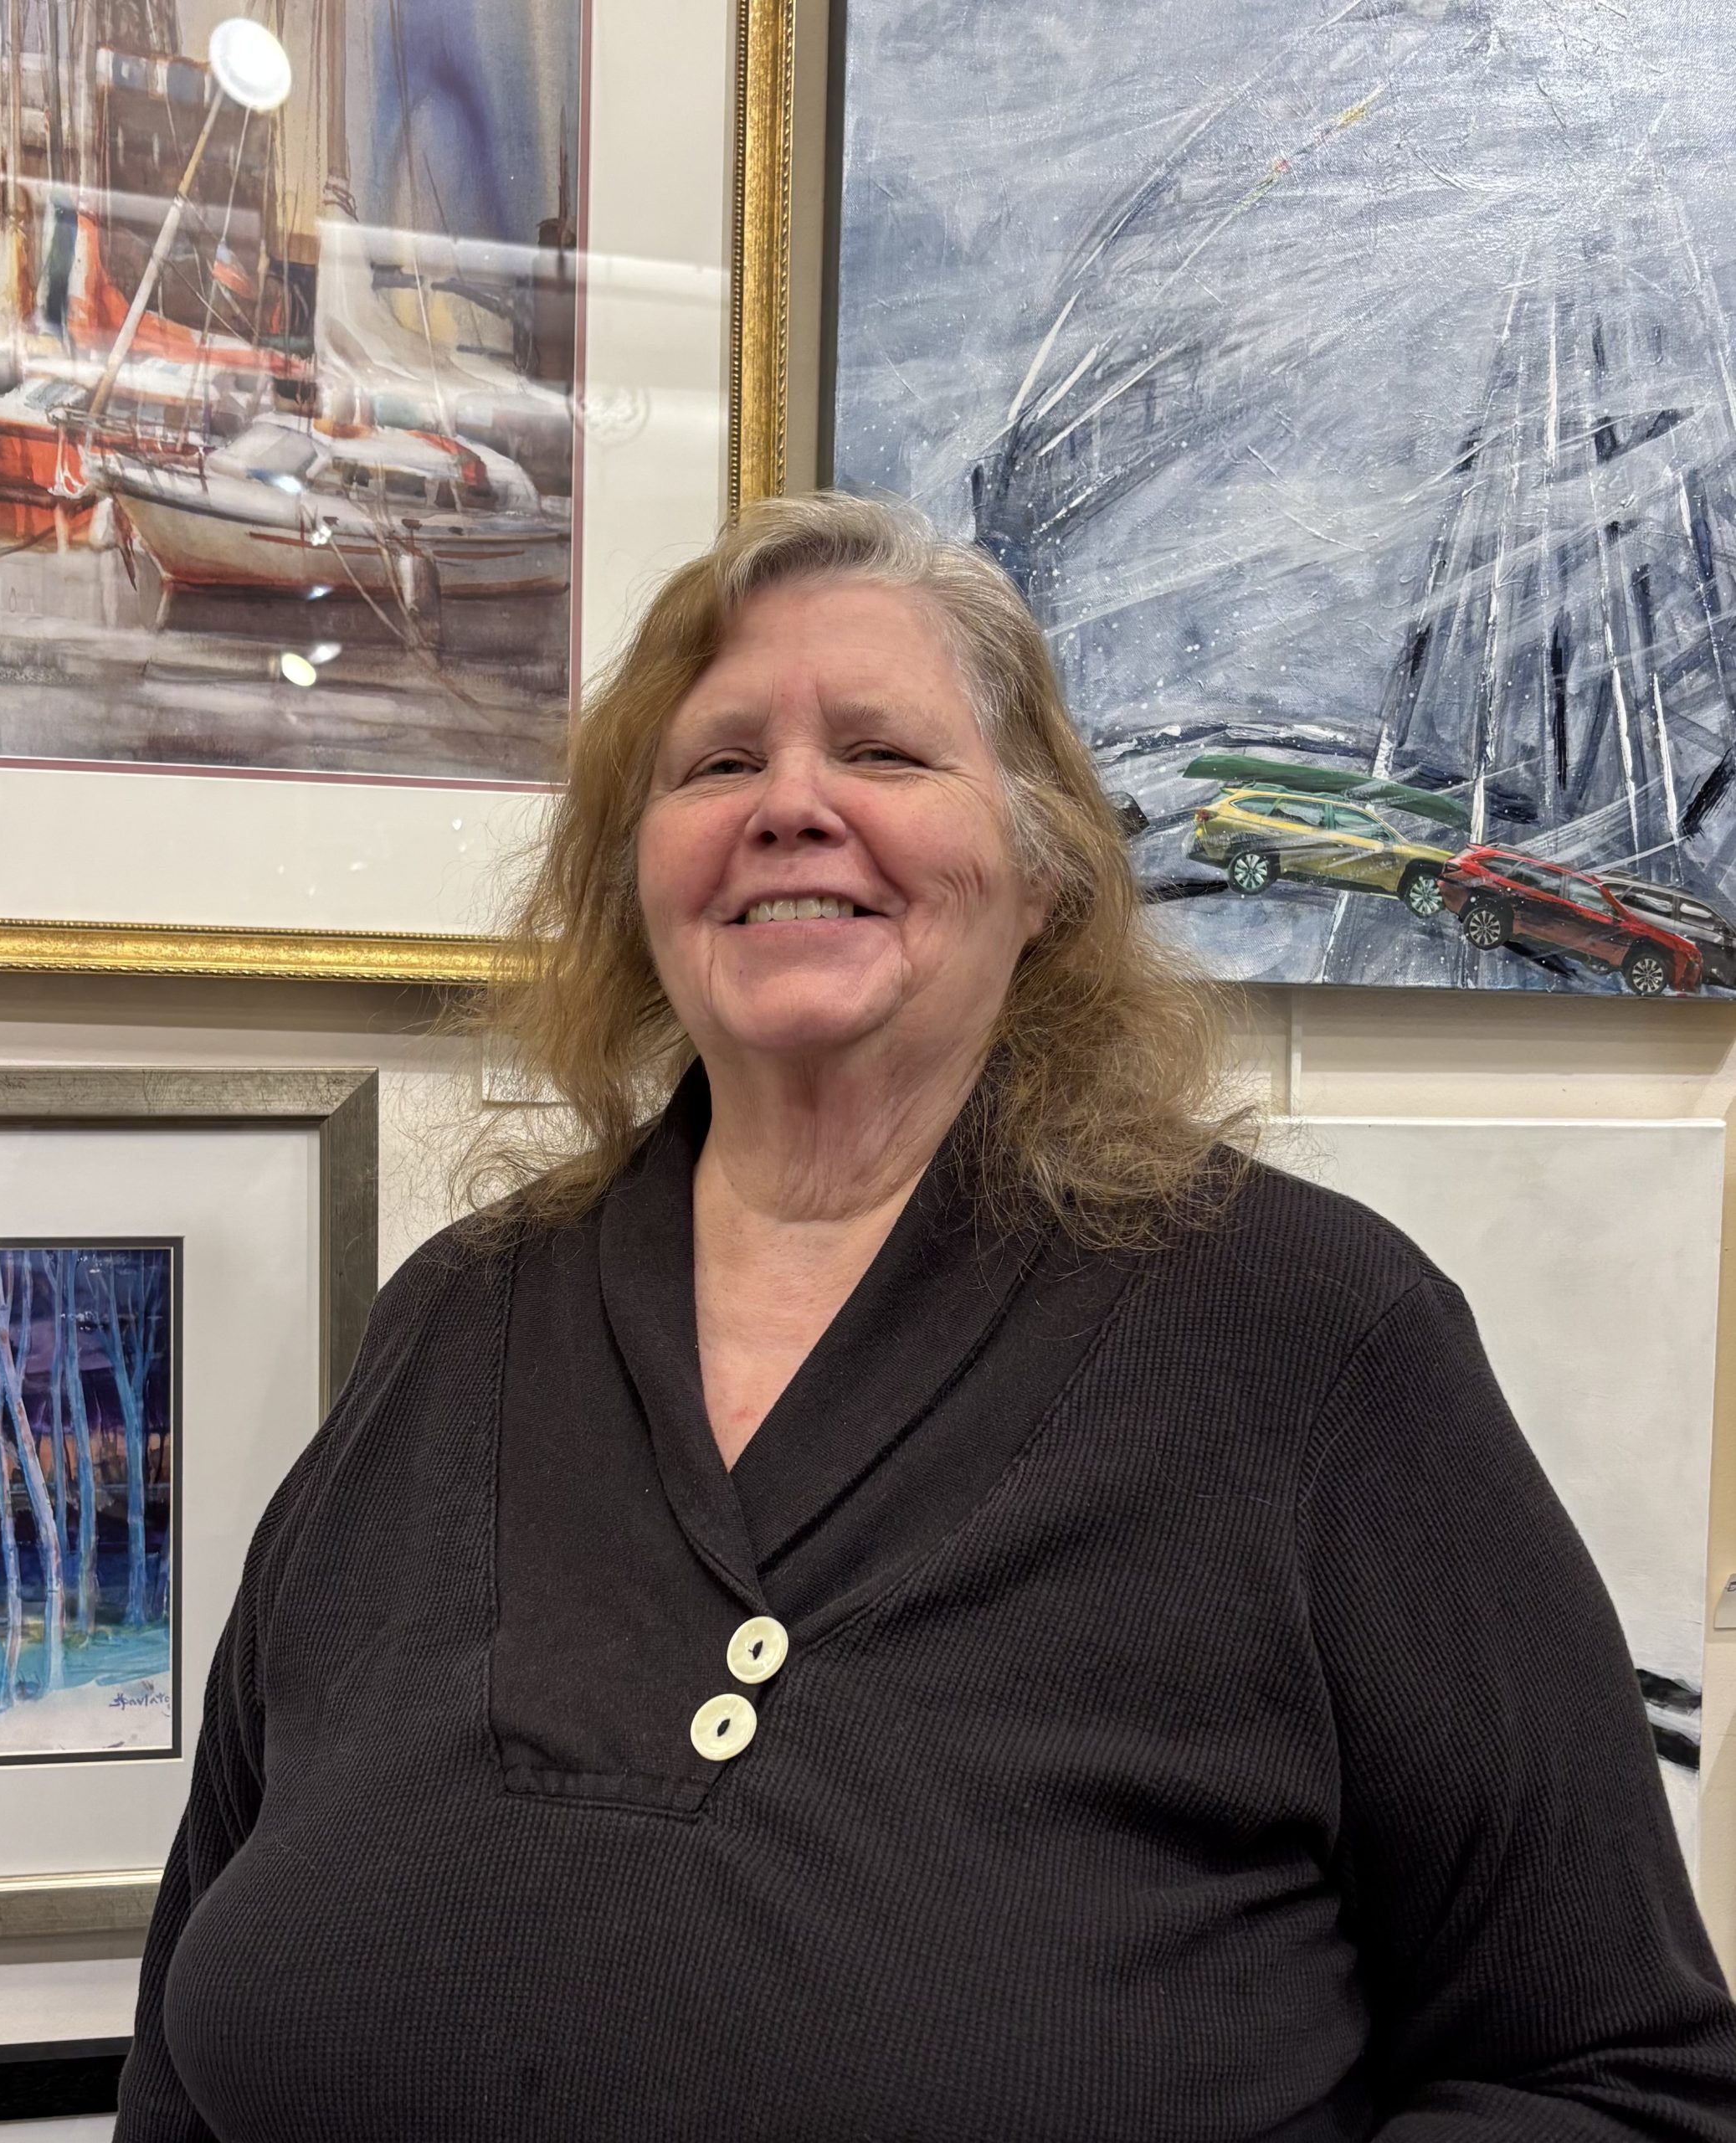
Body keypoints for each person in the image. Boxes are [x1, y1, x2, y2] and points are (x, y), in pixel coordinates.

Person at [116, 494, 1736, 2140]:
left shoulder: (1315, 1339)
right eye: (716, 763)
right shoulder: (455, 1320)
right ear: (635, 877)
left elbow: (1616, 2081)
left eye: (881, 752)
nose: (789, 806)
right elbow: (184, 2043)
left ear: (1043, 871)